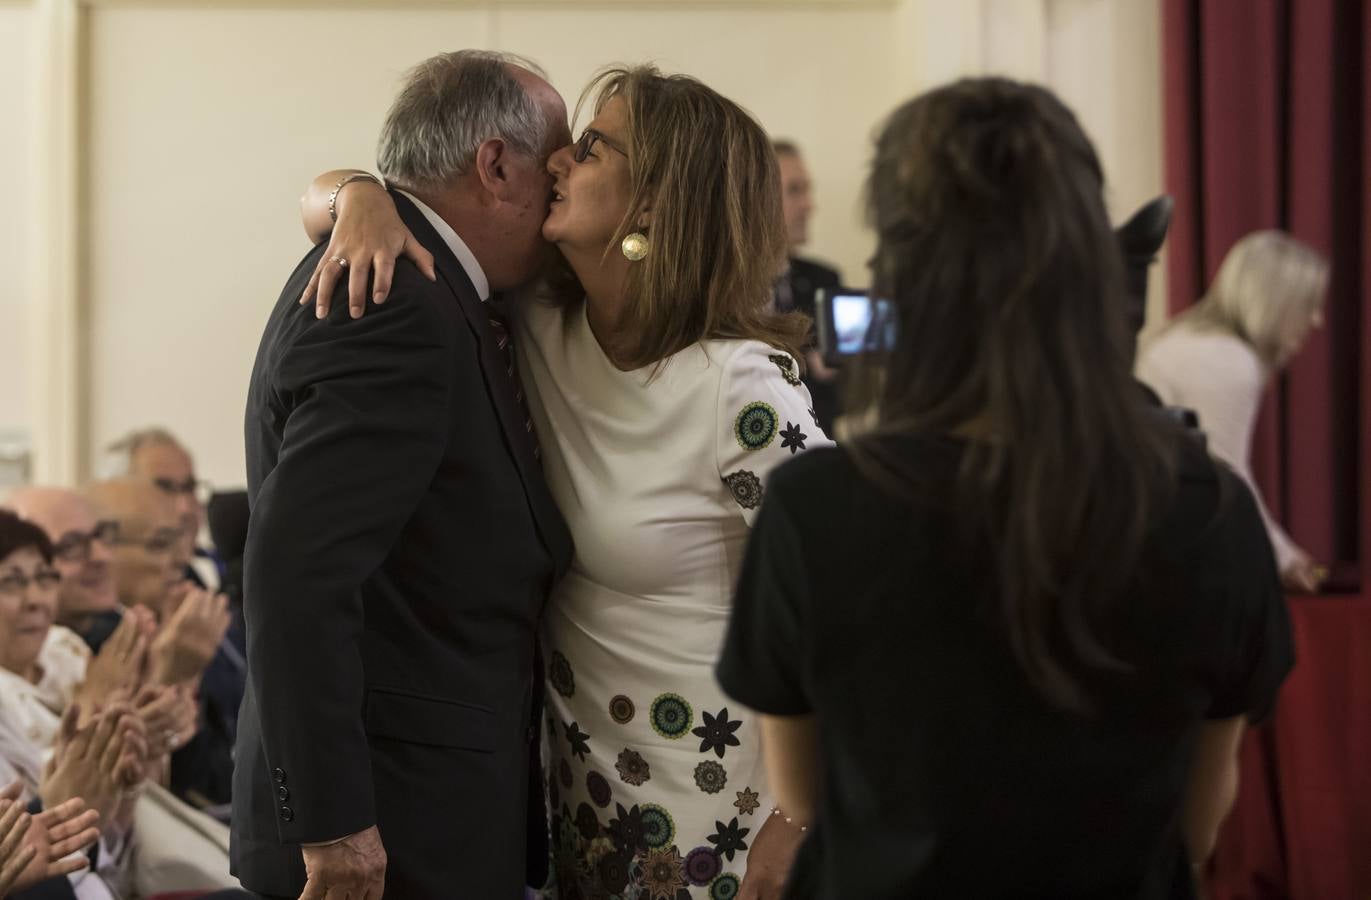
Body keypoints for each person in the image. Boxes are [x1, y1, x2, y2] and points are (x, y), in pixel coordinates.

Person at [716, 78, 1294, 899]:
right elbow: (1198, 828)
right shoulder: (1214, 514)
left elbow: (806, 794)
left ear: (898, 277)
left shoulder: (814, 511)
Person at [301, 62, 832, 899]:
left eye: (589, 148)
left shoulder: (741, 385)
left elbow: (852, 599)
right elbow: (323, 196)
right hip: (582, 809)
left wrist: (803, 819)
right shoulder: (535, 320)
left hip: (731, 813)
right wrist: (362, 199)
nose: (554, 160)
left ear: (653, 202)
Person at [234, 50, 573, 900]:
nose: (562, 192)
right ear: (496, 165)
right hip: (384, 832)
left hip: (419, 810)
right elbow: (296, 570)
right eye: (556, 166)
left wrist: (355, 187)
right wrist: (332, 823)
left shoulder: (432, 278)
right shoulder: (398, 295)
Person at [1136, 230, 1330, 592]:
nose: (1316, 319)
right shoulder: (1227, 360)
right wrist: (1286, 558)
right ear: (1275, 302)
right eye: (1307, 304)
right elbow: (1225, 475)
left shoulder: (1192, 343)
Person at [771, 141, 843, 434]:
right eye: (794, 190)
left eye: (807, 189)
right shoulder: (726, 292)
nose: (809, 205)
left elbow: (843, 395)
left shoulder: (825, 280)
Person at [105, 428, 222, 593]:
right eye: (164, 489)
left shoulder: (196, 581)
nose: (185, 508)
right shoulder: (97, 600)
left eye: (190, 487)